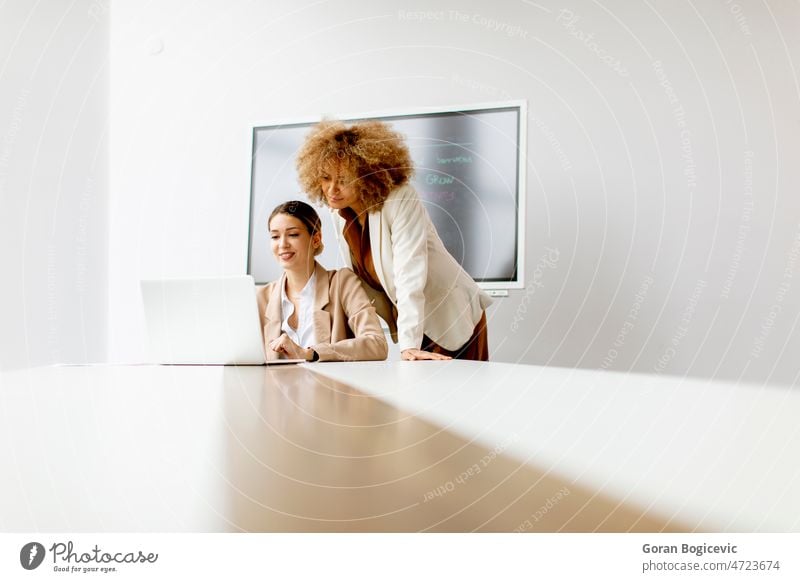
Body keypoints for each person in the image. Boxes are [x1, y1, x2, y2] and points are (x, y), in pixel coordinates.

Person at [296, 120, 492, 361]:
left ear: (367, 176)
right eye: (326, 178)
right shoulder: (340, 212)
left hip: (450, 315)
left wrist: (408, 344)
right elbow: (361, 281)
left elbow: (409, 272)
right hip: (413, 321)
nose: (332, 189)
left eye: (344, 180)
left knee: (459, 396)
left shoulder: (401, 199)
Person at [256, 200, 388, 362]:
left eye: (293, 234)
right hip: (276, 387)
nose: (282, 244)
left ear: (316, 239)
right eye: (275, 236)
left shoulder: (342, 283)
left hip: (328, 387)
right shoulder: (261, 297)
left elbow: (377, 344)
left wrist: (310, 353)